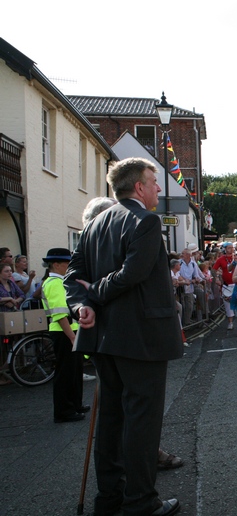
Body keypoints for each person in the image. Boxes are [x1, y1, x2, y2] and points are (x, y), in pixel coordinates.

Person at [66, 157, 182, 516]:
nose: (159, 188)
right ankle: (141, 502)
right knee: (142, 422)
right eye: (153, 181)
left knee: (112, 419)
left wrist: (82, 305)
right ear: (138, 187)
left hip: (102, 337)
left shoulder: (94, 224)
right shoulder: (145, 221)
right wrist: (94, 295)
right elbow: (134, 273)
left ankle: (111, 497)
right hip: (139, 337)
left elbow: (73, 278)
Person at [41, 248, 88, 423]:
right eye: (67, 263)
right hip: (63, 332)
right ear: (56, 264)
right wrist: (72, 336)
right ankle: (64, 411)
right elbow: (60, 314)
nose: (69, 267)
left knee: (75, 370)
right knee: (65, 373)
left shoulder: (59, 281)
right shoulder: (54, 283)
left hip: (69, 330)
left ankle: (75, 404)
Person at [212, 242, 237, 330]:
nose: (231, 249)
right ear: (225, 249)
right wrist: (216, 279)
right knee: (228, 305)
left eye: (232, 247)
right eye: (229, 248)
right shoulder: (220, 259)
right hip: (226, 285)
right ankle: (230, 322)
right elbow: (213, 270)